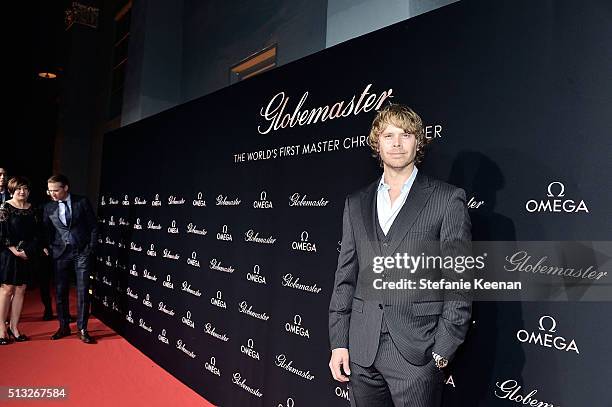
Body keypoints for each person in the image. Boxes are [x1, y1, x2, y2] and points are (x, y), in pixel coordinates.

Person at [328, 104, 472, 406]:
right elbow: (346, 277)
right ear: (376, 143)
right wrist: (339, 342)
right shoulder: (356, 203)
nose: (396, 143)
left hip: (417, 352)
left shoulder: (447, 199)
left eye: (405, 135)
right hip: (362, 348)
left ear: (418, 142)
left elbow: (459, 280)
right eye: (388, 135)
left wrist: (442, 349)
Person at [43, 174, 98, 344]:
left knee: (82, 291)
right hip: (60, 254)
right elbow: (46, 230)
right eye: (49, 191)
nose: (52, 194)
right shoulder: (48, 207)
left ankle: (82, 328)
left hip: (81, 252)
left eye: (56, 190)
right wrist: (49, 247)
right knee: (60, 291)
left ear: (65, 188)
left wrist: (90, 248)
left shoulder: (81, 202)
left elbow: (93, 226)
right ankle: (64, 326)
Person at [0, 176, 45, 344]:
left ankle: (14, 327)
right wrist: (14, 250)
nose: (22, 191)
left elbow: (37, 233)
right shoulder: (5, 207)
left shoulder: (32, 209)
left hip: (27, 254)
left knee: (21, 290)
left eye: (25, 188)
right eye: (18, 188)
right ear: (12, 190)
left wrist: (28, 250)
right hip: (8, 254)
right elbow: (2, 233)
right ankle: (1, 329)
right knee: (7, 290)